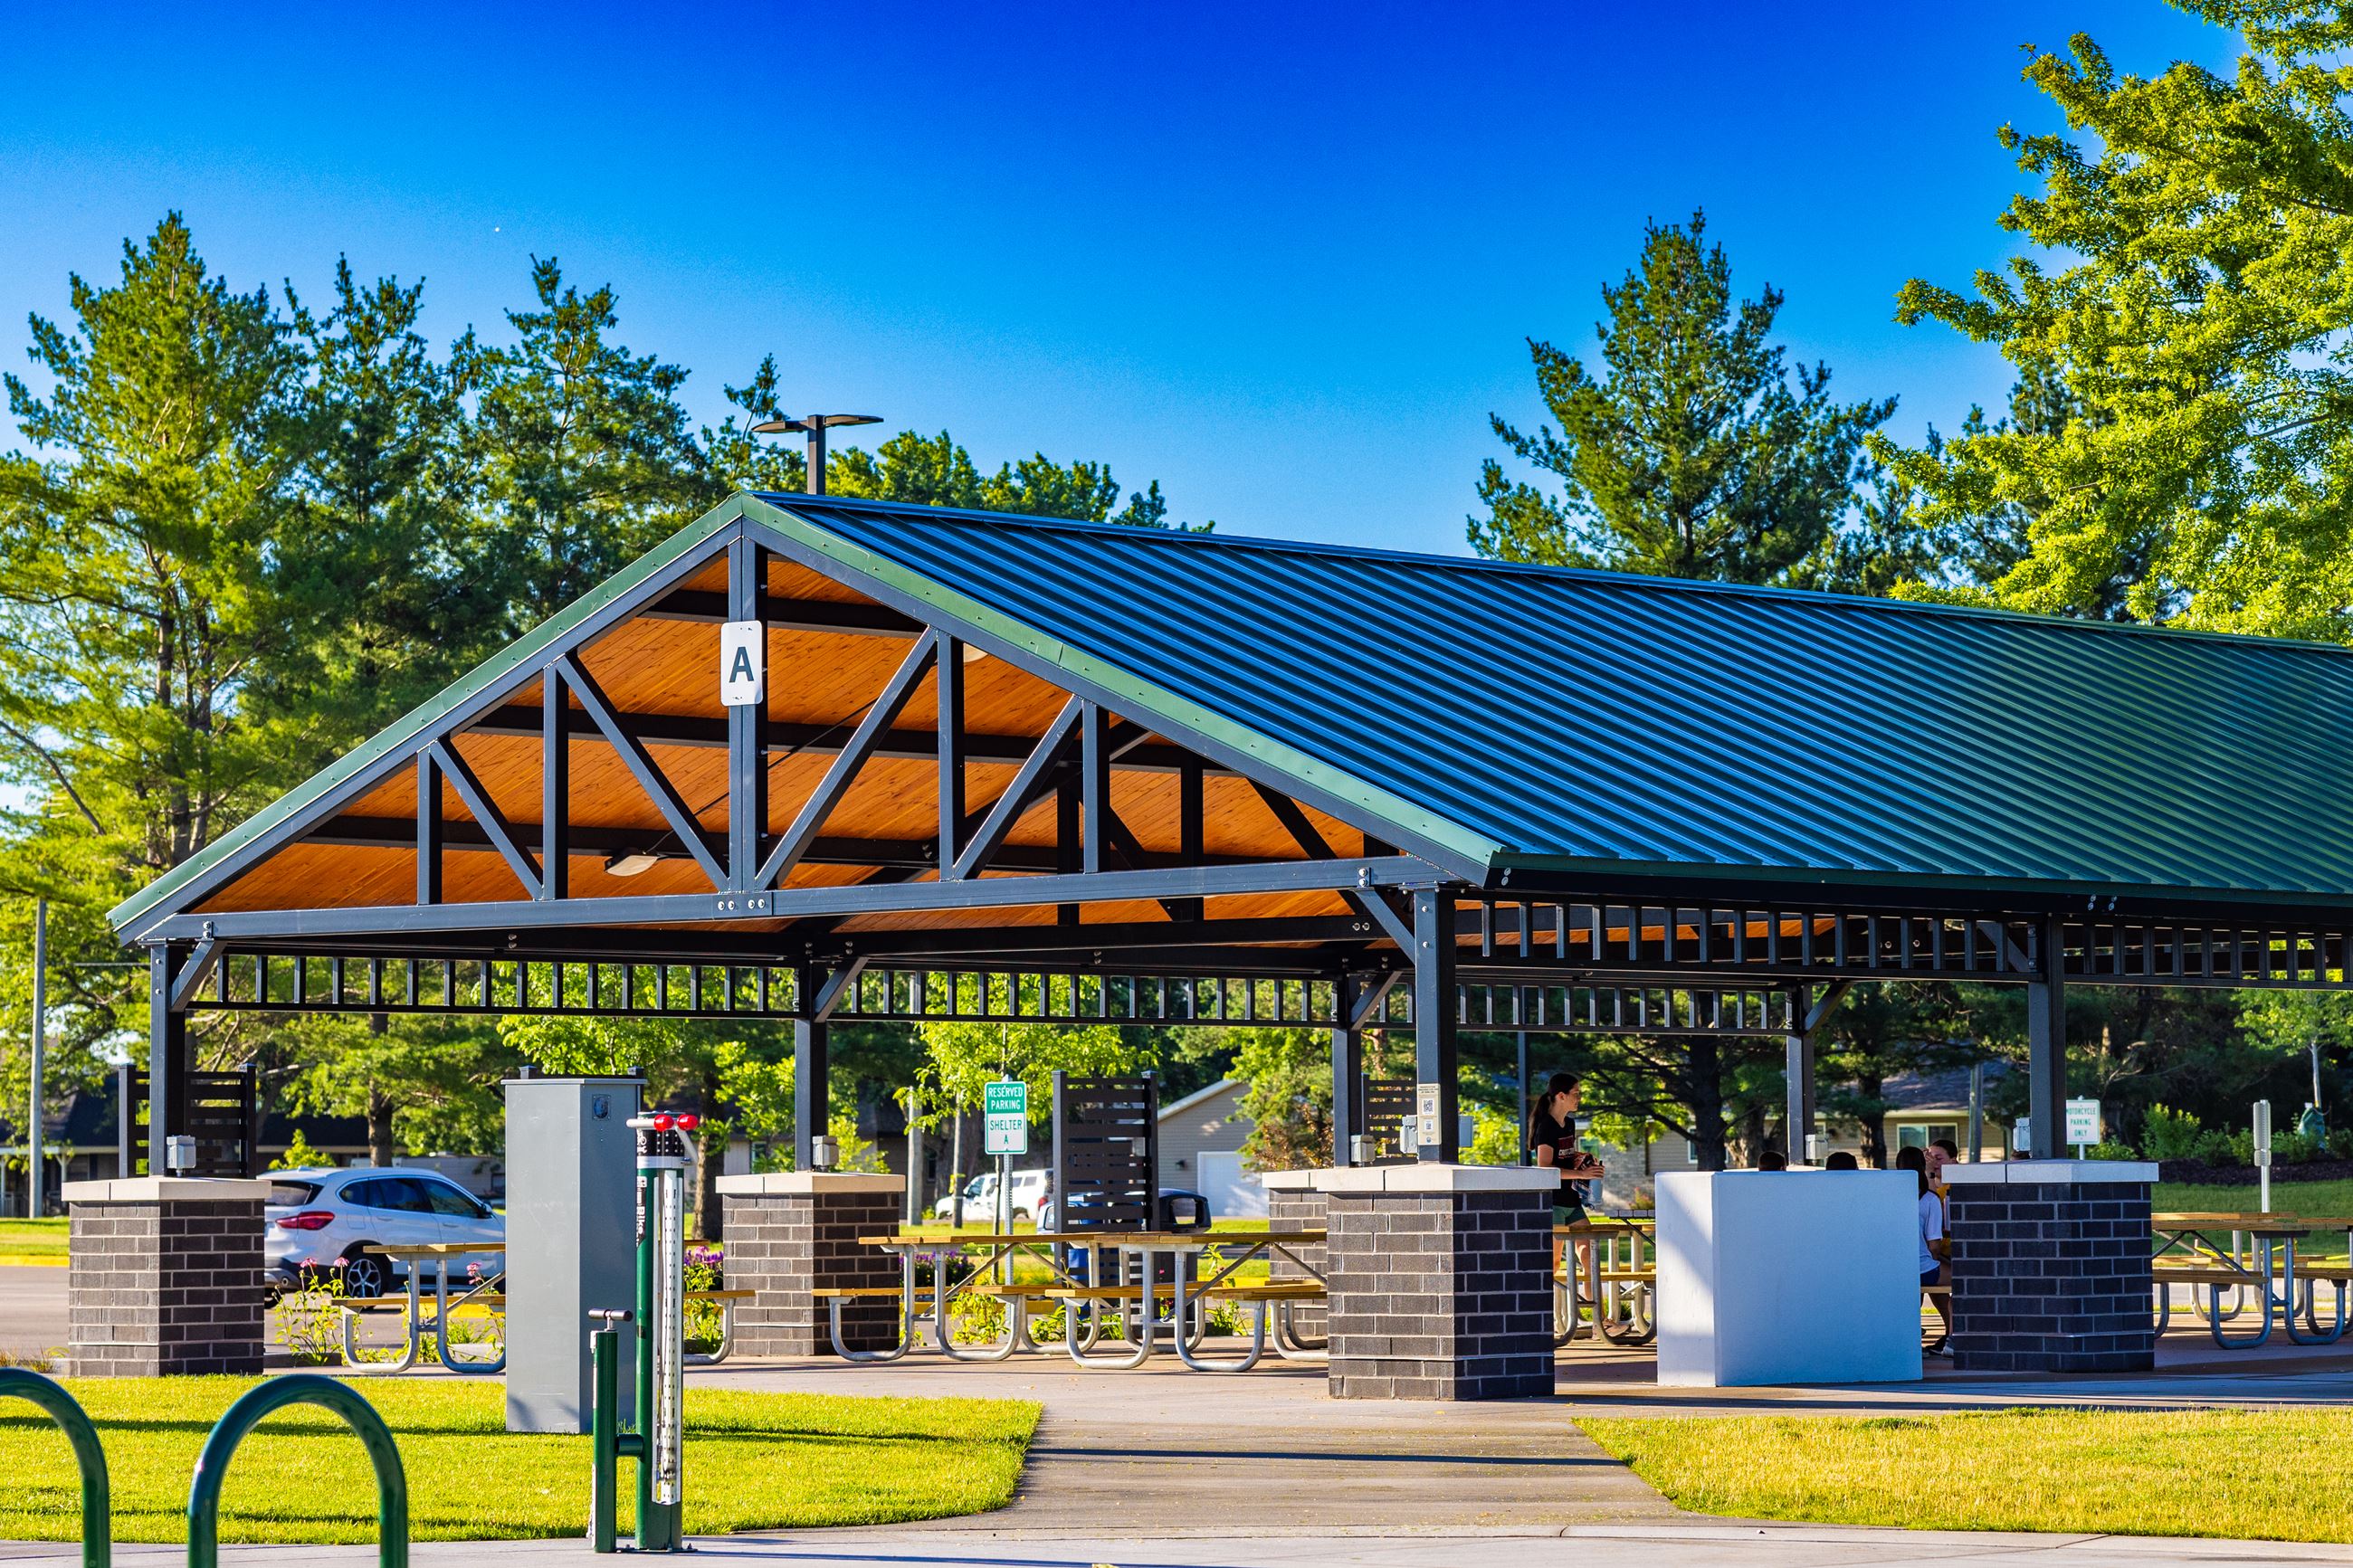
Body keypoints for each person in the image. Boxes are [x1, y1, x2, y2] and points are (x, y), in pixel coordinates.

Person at [1529, 1072, 1605, 1288]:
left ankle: (1599, 1318)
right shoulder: (1546, 1127)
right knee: (1553, 1263)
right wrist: (1582, 1175)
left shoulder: (1569, 1124)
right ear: (1561, 1096)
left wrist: (1585, 1162)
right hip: (1553, 1204)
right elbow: (1545, 1167)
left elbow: (1566, 1157)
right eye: (1576, 1093)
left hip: (1572, 1202)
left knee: (1590, 1257)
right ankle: (1550, 1317)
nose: (1579, 1097)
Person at [1897, 1145, 1950, 1355]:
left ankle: (1913, 1337)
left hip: (1896, 1269)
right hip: (1920, 1267)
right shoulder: (1929, 1199)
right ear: (1921, 1167)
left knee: (1928, 1283)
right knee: (1964, 1280)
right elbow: (1934, 1245)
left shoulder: (1887, 1197)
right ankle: (1955, 1337)